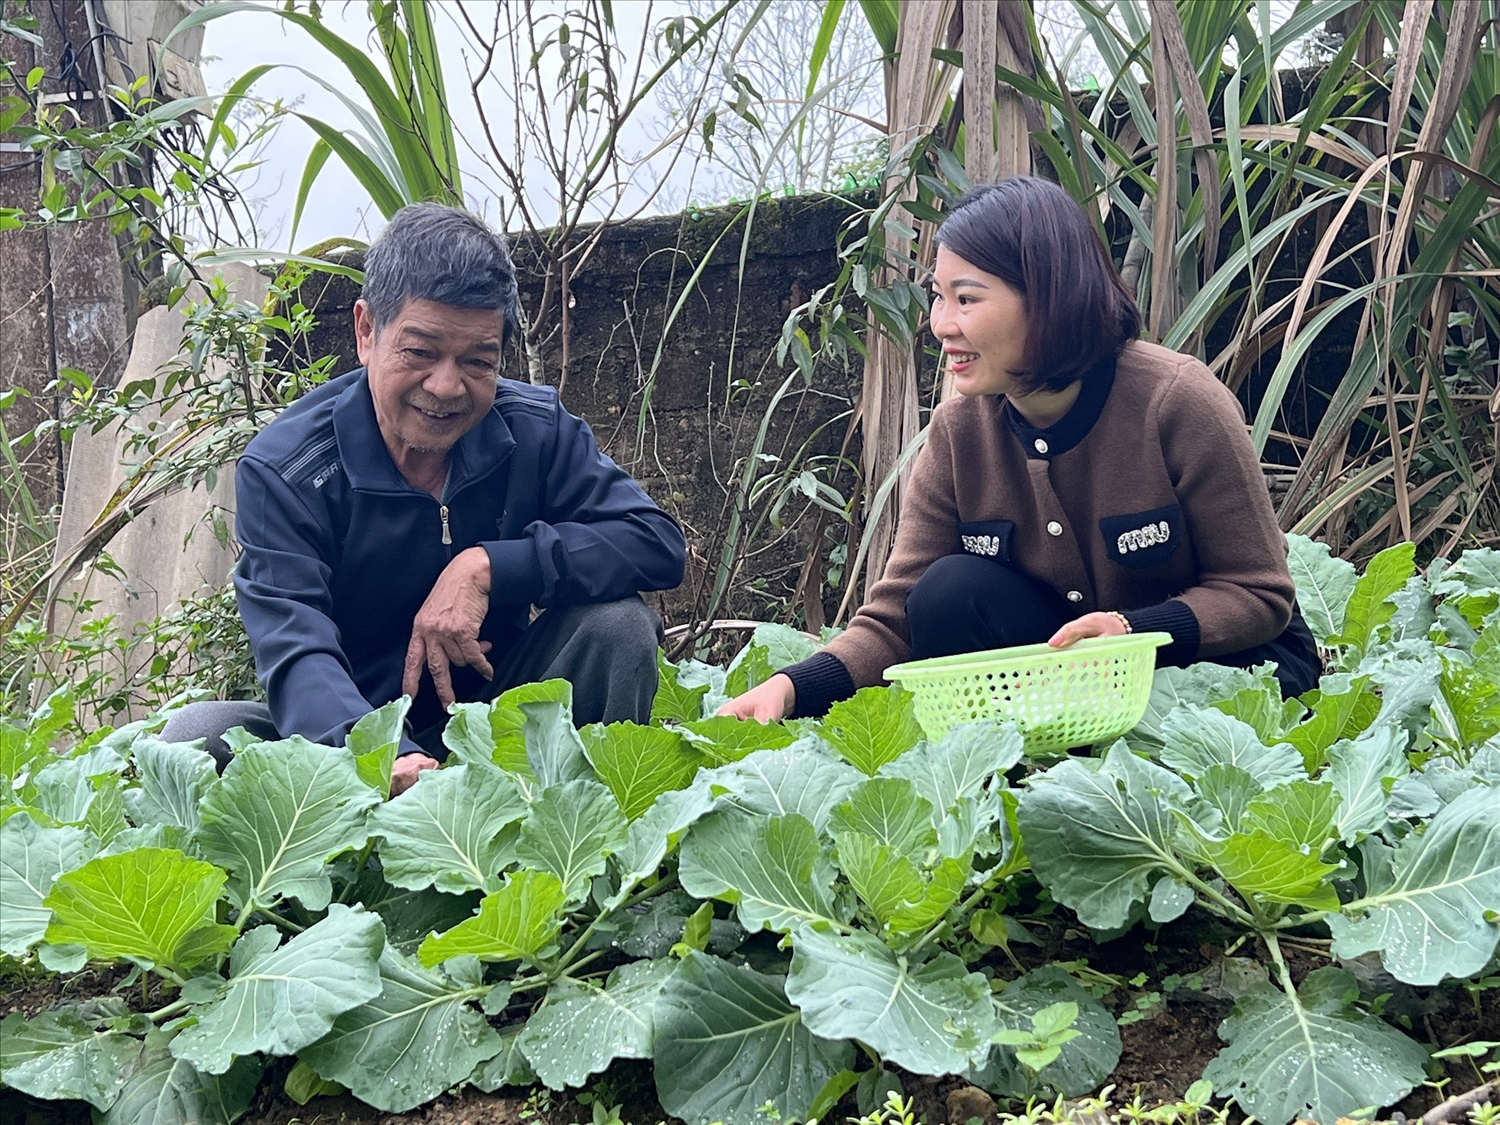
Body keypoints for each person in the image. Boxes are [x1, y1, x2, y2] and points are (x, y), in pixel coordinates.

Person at [722, 177, 1319, 723]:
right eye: (938, 297)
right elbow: (898, 617)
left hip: (1227, 674)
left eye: (968, 299)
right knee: (947, 592)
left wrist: (1131, 631)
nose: (941, 324)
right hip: (1080, 682)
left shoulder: (1178, 401)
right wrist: (792, 687)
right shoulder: (958, 434)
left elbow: (1258, 593)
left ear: (1049, 298)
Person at [163, 203, 687, 794]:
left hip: (503, 721)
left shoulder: (536, 431)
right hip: (346, 736)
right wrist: (382, 753)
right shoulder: (287, 469)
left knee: (620, 627)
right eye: (419, 352)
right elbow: (296, 648)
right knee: (195, 736)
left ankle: (587, 830)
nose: (445, 386)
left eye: (477, 361)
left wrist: (488, 566)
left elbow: (656, 543)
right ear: (366, 332)